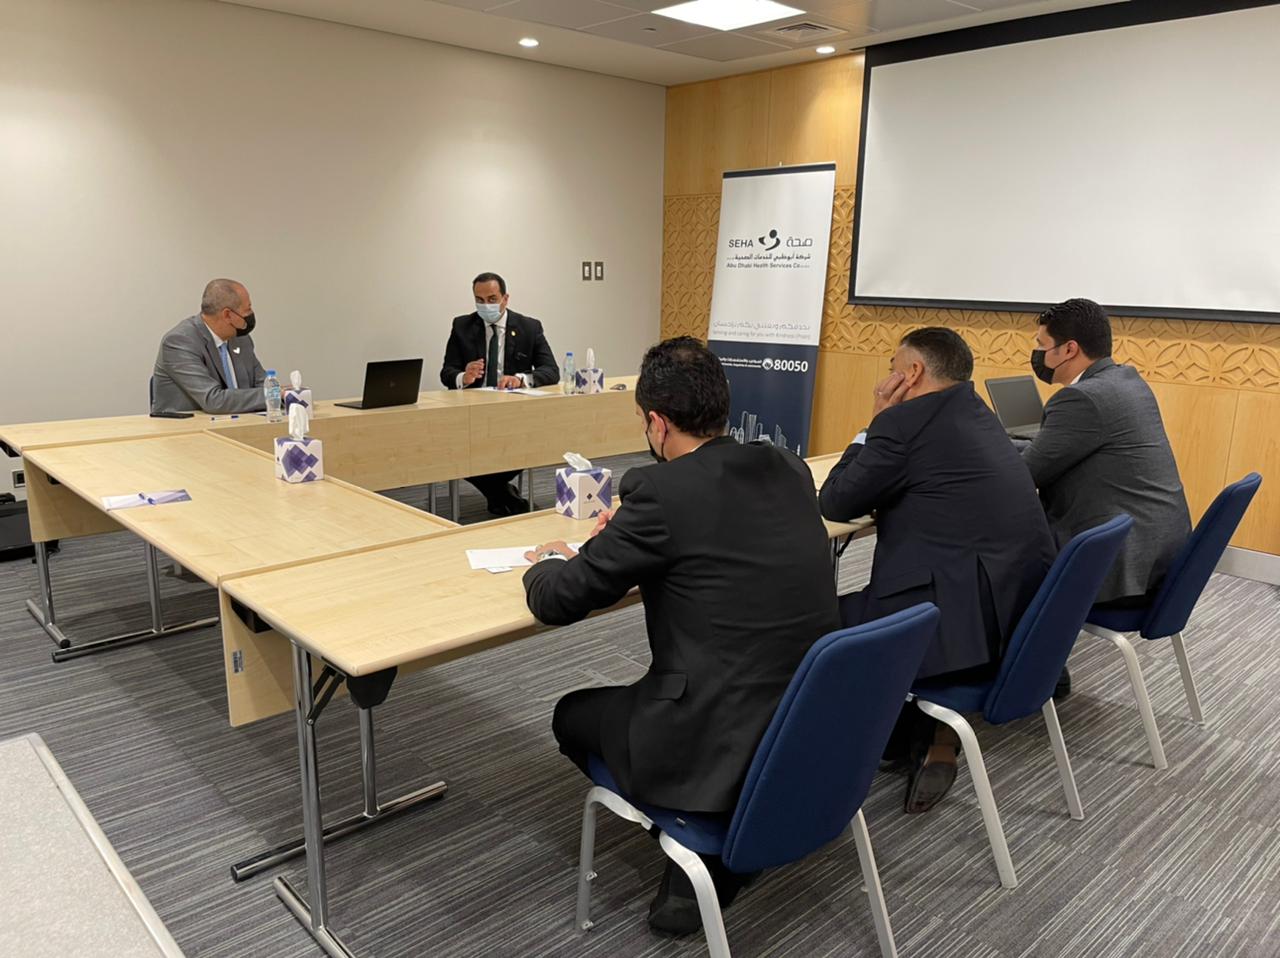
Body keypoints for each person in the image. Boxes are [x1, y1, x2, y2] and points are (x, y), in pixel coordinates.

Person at [522, 336, 838, 937]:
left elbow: (559, 601)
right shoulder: (788, 467)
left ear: (657, 423)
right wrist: (627, 538)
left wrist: (549, 561)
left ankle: (698, 840)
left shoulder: (659, 492)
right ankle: (722, 836)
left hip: (711, 729)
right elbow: (718, 541)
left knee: (570, 715)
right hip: (804, 717)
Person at [819, 327, 1054, 813]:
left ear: (912, 373)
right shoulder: (977, 412)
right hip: (1014, 611)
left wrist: (872, 424)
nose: (887, 378)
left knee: (815, 623)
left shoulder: (902, 423)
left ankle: (837, 743)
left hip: (952, 624)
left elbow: (837, 500)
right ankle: (908, 728)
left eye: (892, 367)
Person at [1022, 298, 1191, 609]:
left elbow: (1023, 476)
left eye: (1042, 345)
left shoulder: (1082, 398)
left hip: (1120, 567)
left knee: (994, 550)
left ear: (1069, 349)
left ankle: (1022, 637)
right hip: (1158, 555)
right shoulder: (1127, 380)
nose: (1037, 353)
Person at [440, 272, 559, 515]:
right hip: (473, 414)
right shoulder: (462, 326)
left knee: (523, 446)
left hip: (513, 414)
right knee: (454, 450)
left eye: (492, 299)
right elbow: (447, 372)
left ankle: (497, 493)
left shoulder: (529, 327)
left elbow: (551, 370)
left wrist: (521, 379)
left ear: (505, 298)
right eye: (479, 300)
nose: (486, 305)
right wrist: (464, 376)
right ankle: (502, 493)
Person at [151, 279, 267, 414]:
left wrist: (282, 394)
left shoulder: (241, 339)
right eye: (247, 309)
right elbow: (213, 401)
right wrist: (273, 395)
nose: (251, 314)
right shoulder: (179, 342)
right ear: (227, 315)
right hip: (189, 426)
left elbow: (263, 384)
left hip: (241, 422)